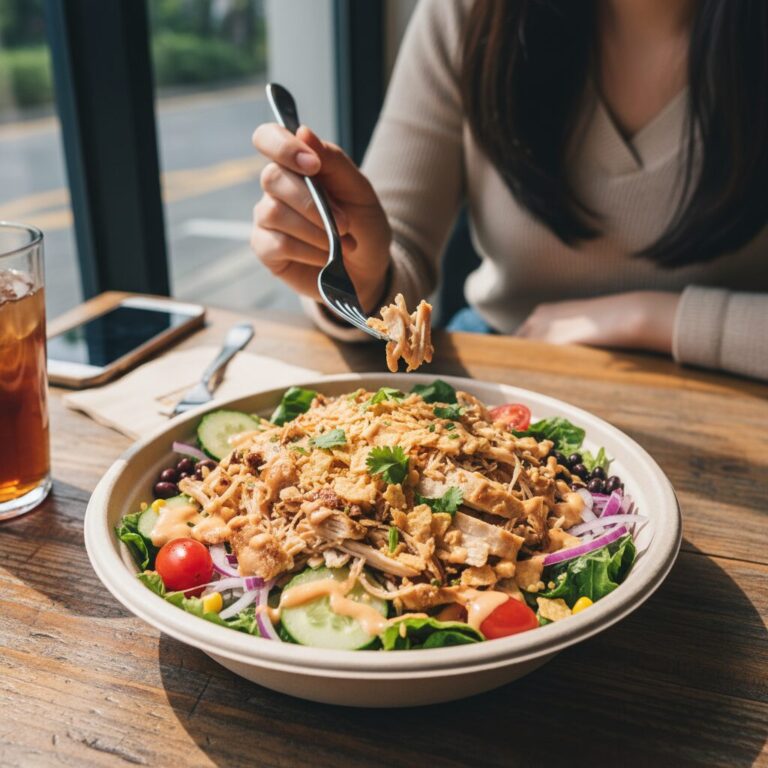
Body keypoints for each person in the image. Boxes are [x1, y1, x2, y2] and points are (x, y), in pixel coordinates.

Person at [250, 0, 768, 381]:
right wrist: (362, 271)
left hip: (729, 384)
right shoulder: (469, 13)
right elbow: (397, 259)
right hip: (500, 357)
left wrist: (651, 317)